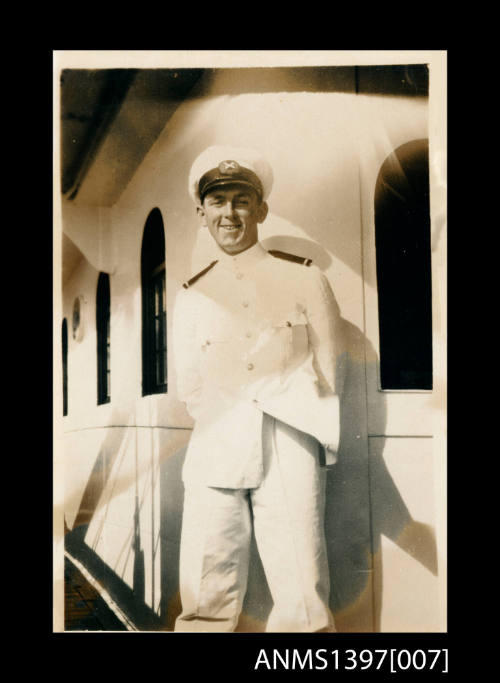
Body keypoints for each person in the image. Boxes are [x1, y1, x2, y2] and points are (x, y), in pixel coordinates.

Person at [172, 145, 344, 632]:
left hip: (289, 439)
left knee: (303, 596)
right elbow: (191, 385)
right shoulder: (192, 295)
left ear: (261, 210)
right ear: (202, 213)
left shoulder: (305, 279)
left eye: (242, 200)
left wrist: (314, 443)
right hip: (216, 446)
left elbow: (330, 371)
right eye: (218, 201)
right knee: (207, 593)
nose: (230, 213)